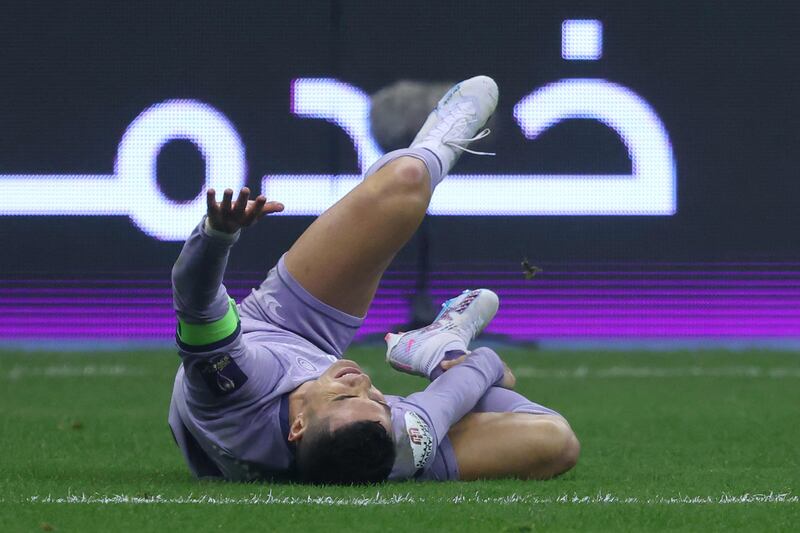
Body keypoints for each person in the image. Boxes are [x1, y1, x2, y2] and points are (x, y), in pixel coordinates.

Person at [168, 76, 579, 483]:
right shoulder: (395, 446)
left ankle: (435, 151)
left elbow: (195, 300)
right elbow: (481, 385)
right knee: (555, 442)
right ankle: (438, 344)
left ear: (297, 428)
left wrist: (217, 235)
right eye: (379, 399)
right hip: (341, 409)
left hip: (279, 325)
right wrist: (459, 362)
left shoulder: (230, 385)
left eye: (347, 395)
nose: (364, 382)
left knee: (405, 182)